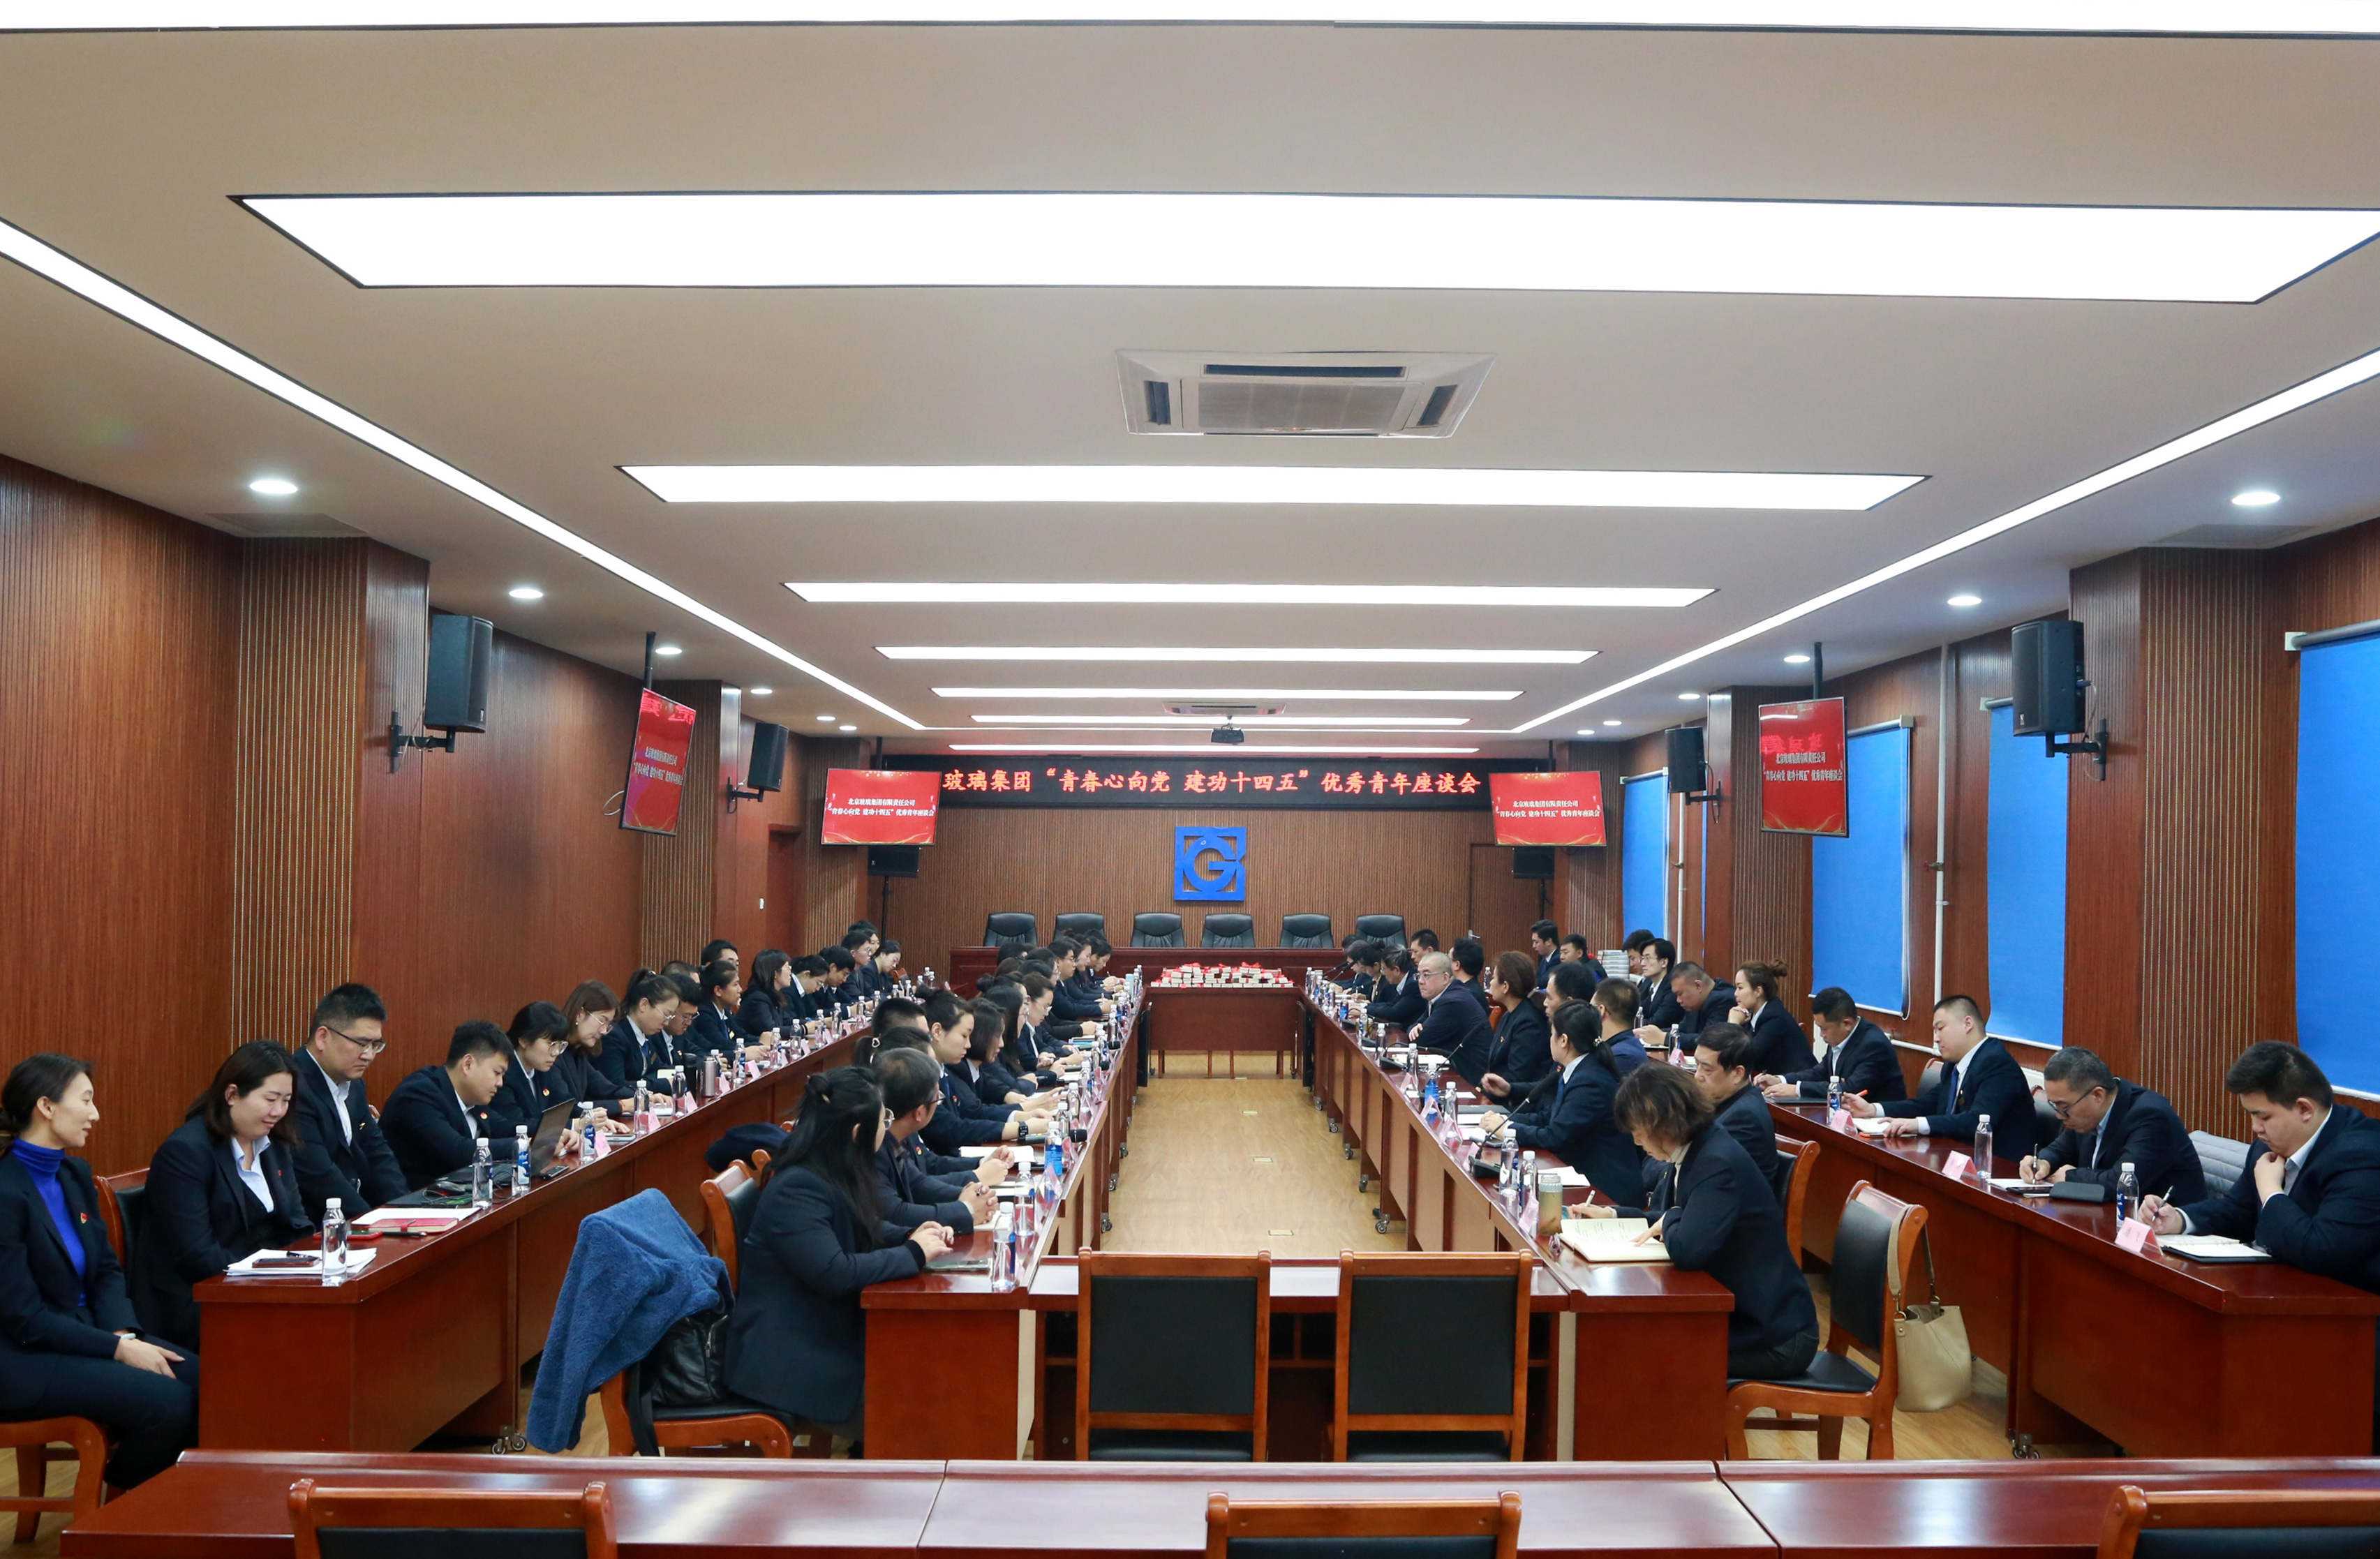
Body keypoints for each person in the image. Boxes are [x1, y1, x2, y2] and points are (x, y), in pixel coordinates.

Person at [0, 1054, 199, 1490]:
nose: (95, 1114)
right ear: (47, 1106)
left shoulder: (74, 1174)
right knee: (169, 1404)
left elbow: (107, 1270)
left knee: (208, 1383)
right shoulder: (5, 1192)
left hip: (90, 1332)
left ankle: (165, 1501)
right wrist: (117, 1351)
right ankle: (122, 1500)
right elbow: (24, 1318)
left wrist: (121, 1334)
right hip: (25, 1358)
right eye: (86, 1100)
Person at [725, 1066, 953, 1444]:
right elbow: (834, 1271)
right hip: (791, 1357)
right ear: (857, 1132)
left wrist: (911, 1236)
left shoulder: (833, 1168)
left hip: (829, 1334)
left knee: (933, 1378)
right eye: (884, 1118)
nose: (888, 1126)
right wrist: (913, 1253)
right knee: (919, 1415)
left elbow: (863, 1229)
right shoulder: (797, 1188)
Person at [1612, 1063, 1819, 1382]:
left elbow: (1687, 1248)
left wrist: (1671, 1217)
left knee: (1648, 1353)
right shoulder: (1697, 1149)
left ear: (1659, 1120)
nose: (1638, 1141)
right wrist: (1616, 1214)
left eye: (1638, 1131)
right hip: (1747, 1318)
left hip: (1773, 1335)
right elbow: (1679, 1219)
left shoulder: (1716, 1163)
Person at [2141, 1044, 2380, 1285]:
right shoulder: (2267, 1145)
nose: (2256, 1128)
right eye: (2251, 1115)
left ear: (2304, 1109)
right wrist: (2180, 1220)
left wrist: (2270, 1191)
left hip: (2348, 1301)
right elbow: (2239, 1212)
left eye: (2264, 1117)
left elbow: (2322, 1252)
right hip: (2277, 1287)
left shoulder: (2362, 1156)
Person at [131, 1042, 313, 1348]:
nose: (278, 1112)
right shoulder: (186, 1153)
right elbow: (198, 1255)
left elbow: (296, 1221)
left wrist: (310, 1264)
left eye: (286, 1101)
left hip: (259, 1287)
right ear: (232, 1095)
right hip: (199, 1300)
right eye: (270, 1099)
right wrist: (272, 1277)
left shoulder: (274, 1145)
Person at [1478, 1002, 1645, 1207]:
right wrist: (1504, 1121)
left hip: (1606, 1189)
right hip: (1585, 1177)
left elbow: (1555, 1136)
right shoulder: (1579, 1070)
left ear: (1564, 1040)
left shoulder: (1591, 1081)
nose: (1550, 1040)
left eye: (1552, 1034)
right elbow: (1548, 1117)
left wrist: (1508, 1130)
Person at [1845, 994, 2039, 1163]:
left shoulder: (1996, 1063)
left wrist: (1917, 1124)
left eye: (1940, 1028)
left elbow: (1977, 1121)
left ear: (1967, 1024)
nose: (1936, 1038)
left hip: (1999, 1168)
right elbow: (1930, 1103)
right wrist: (1873, 1110)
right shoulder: (1954, 1065)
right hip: (1959, 1158)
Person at [289, 983, 408, 1222]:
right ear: (323, 1037)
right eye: (362, 1044)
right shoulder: (294, 1088)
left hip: (355, 1219)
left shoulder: (354, 1085)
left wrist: (405, 1212)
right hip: (315, 1226)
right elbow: (320, 1177)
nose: (369, 1055)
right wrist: (373, 1223)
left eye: (375, 1045)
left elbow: (377, 1152)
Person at [2021, 1047, 2203, 1202]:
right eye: (2055, 1106)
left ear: (2097, 1095)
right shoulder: (2086, 1113)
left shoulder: (2151, 1117)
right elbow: (2061, 1149)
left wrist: (2071, 1177)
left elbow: (2122, 1183)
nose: (2059, 1116)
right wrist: (2043, 1162)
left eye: (2064, 1107)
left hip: (2160, 1226)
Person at [871, 1046, 995, 1237]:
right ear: (919, 1113)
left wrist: (967, 1194)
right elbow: (896, 1213)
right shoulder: (873, 1145)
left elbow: (917, 1184)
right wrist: (966, 1210)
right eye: (937, 1099)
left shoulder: (897, 1133)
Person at [380, 1023, 513, 1191]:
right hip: (417, 1198)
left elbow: (505, 1128)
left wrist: (540, 1137)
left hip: (460, 1194)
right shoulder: (418, 1093)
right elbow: (458, 1151)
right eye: (497, 1073)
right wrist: (522, 1146)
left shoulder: (473, 1098)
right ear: (468, 1064)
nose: (500, 1083)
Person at [1761, 986, 1905, 1104]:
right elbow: (1821, 1072)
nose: (1821, 1034)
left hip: (1881, 1123)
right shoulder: (1840, 1035)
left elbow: (1851, 1089)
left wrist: (1797, 1089)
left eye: (1824, 1029)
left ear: (1847, 1024)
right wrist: (1780, 1080)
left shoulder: (1874, 1045)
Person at [1689, 1023, 1783, 1193]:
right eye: (1697, 1065)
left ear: (1737, 1074)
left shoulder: (1744, 1118)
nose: (1697, 1076)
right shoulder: (1721, 1101)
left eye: (1707, 1069)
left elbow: (1699, 1171)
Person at [489, 1001, 581, 1140]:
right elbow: (516, 1124)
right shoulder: (503, 1074)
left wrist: (590, 1117)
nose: (556, 1052)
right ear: (524, 1040)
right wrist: (572, 1125)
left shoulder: (543, 1068)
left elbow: (563, 1104)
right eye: (551, 1044)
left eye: (560, 1045)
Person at [1477, 952, 1552, 1103]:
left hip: (1517, 1103)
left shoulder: (1529, 1022)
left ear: (1505, 986)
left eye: (1494, 978)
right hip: (1497, 1096)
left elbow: (1518, 1075)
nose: (1491, 983)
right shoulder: (1509, 1015)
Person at [560, 979, 637, 1117]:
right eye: (602, 1021)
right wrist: (622, 1106)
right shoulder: (554, 1052)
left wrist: (641, 1096)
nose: (604, 1031)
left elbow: (605, 1088)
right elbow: (568, 1108)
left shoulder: (578, 1051)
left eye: (608, 1025)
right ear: (580, 1014)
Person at [1411, 951, 1492, 1080]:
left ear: (1445, 978)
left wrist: (1417, 1029)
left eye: (1426, 975)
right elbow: (1413, 1029)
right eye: (1418, 975)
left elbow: (1419, 1040)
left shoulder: (1453, 1002)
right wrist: (1415, 1027)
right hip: (1454, 1070)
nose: (1420, 981)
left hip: (1470, 1079)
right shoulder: (1441, 996)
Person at [1727, 962, 1815, 1076]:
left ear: (1758, 991)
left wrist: (1734, 1025)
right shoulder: (1751, 1015)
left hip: (1798, 1081)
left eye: (1740, 988)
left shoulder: (1774, 1016)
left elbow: (1746, 1056)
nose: (1735, 994)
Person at [1633, 962, 1726, 1050]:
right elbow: (1683, 1029)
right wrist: (1649, 1033)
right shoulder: (1697, 1002)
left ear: (1698, 986)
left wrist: (1664, 1038)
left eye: (1680, 994)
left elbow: (1710, 1041)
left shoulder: (1723, 1000)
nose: (1678, 1000)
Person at [688, 960, 761, 1061]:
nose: (740, 990)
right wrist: (746, 1050)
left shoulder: (725, 1009)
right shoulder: (704, 1015)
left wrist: (761, 1043)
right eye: (735, 985)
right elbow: (721, 1045)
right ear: (718, 990)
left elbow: (741, 1034)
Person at [741, 950, 796, 1038]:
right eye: (788, 968)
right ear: (775, 973)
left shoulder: (773, 995)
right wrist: (804, 1029)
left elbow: (787, 1021)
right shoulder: (757, 998)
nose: (791, 973)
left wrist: (812, 1024)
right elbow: (771, 1030)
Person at [1366, 948, 1425, 1029]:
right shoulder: (1407, 979)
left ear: (1396, 970)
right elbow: (1392, 1004)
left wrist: (1366, 1009)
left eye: (1384, 969)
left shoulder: (1413, 984)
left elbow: (1394, 1012)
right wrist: (1365, 1006)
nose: (1383, 974)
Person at [1635, 938, 1683, 1031]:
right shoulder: (1648, 984)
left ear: (1664, 962)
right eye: (1642, 959)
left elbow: (1657, 1023)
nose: (1643, 964)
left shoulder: (1672, 987)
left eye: (1648, 958)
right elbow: (1639, 1011)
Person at [1529, 921, 1561, 987]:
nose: (1534, 946)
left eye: (1536, 942)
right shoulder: (1545, 959)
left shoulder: (1559, 959)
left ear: (1549, 942)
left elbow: (1543, 982)